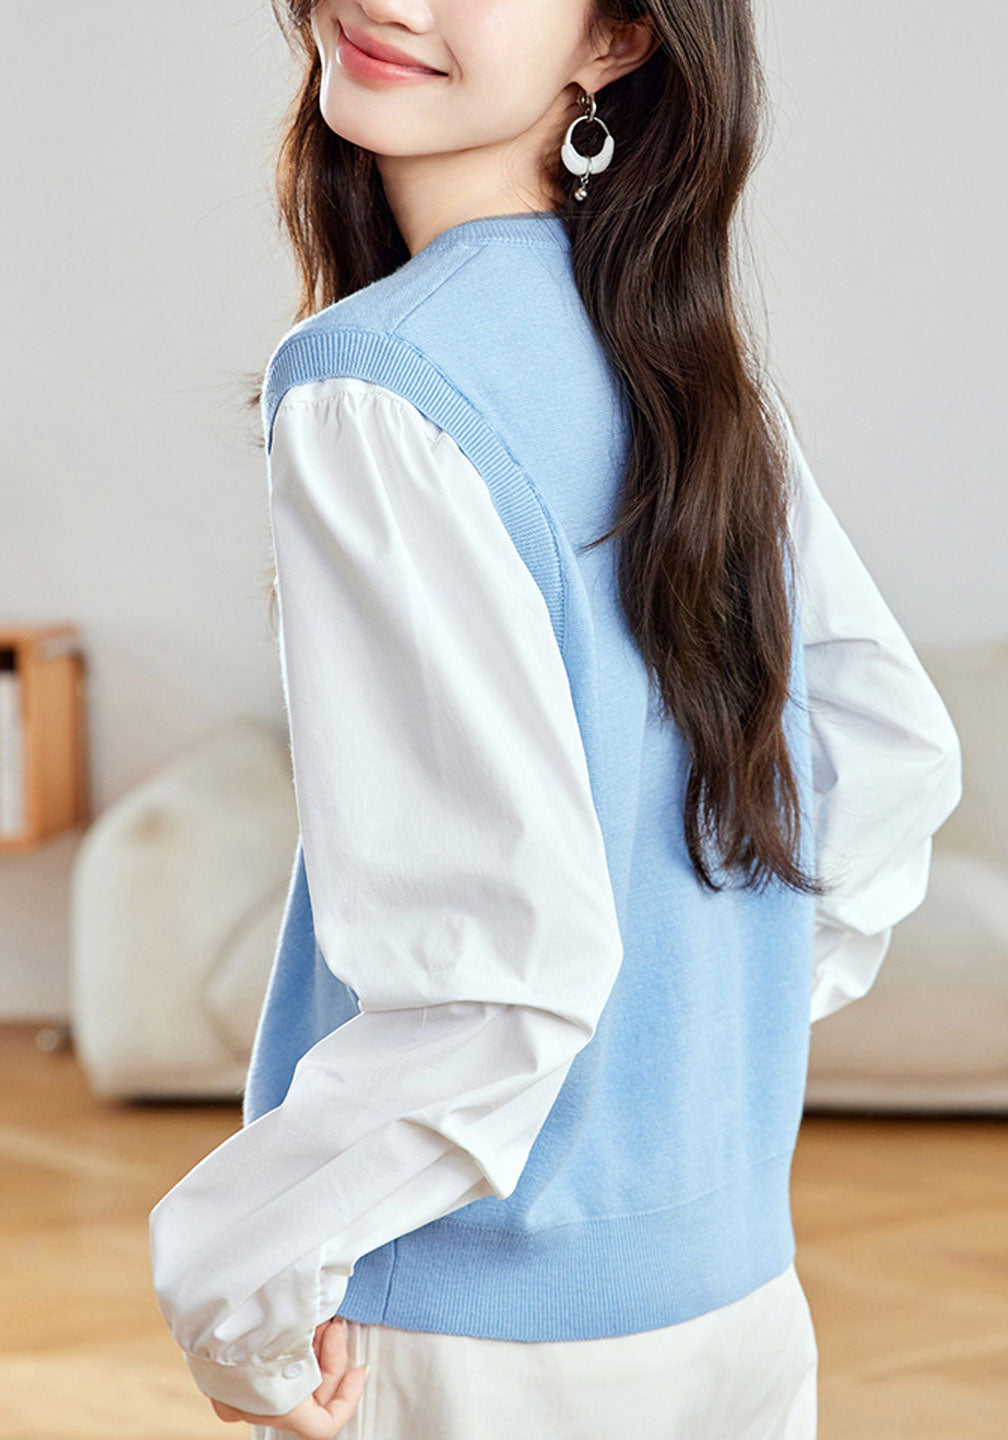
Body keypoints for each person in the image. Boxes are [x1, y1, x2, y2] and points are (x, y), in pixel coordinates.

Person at [148, 1, 964, 1436]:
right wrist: (690, 1051)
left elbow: (497, 978)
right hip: (736, 1302)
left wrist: (247, 1282)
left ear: (619, 40)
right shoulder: (677, 358)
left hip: (467, 1327)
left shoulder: (370, 384)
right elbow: (888, 752)